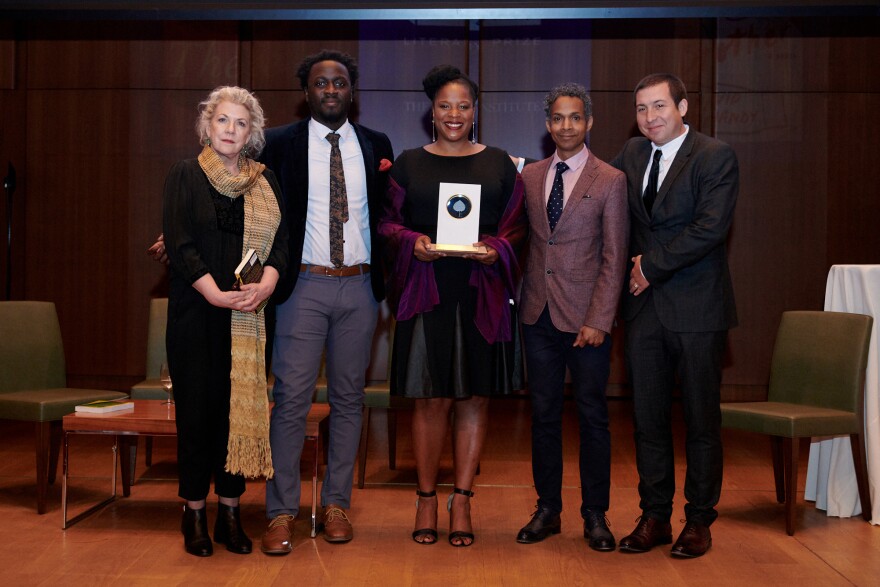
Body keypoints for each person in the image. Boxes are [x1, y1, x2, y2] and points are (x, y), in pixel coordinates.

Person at [379, 64, 527, 547]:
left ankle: (461, 499)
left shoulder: (500, 164)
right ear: (432, 111)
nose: (454, 114)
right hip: (427, 292)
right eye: (445, 105)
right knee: (430, 397)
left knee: (473, 398)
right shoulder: (407, 163)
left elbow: (517, 227)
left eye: (463, 105)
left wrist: (496, 248)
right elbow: (386, 224)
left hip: (480, 292)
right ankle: (425, 497)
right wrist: (413, 242)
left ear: (475, 110)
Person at [258, 50, 394, 553]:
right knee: (291, 401)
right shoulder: (277, 145)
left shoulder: (377, 145)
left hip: (359, 287)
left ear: (351, 92)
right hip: (302, 288)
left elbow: (390, 214)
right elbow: (243, 202)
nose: (331, 90)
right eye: (321, 83)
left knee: (349, 401)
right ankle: (280, 513)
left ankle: (336, 505)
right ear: (307, 92)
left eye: (339, 82)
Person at [611, 73, 738, 558]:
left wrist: (649, 268)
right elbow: (602, 195)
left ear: (683, 106)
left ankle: (699, 521)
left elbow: (710, 228)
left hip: (698, 308)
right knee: (647, 420)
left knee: (702, 421)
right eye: (642, 108)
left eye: (660, 106)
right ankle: (655, 516)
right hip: (644, 312)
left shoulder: (714, 155)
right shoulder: (632, 154)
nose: (650, 118)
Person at [162, 86, 288, 557]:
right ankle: (194, 514)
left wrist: (268, 283)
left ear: (252, 132)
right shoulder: (185, 175)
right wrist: (215, 293)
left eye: (240, 123)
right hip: (198, 317)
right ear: (207, 126)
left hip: (250, 319)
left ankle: (230, 515)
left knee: (237, 419)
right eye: (222, 121)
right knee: (198, 419)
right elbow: (180, 244)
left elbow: (282, 244)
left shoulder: (266, 181)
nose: (231, 130)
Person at [515, 84, 628, 551]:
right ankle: (547, 509)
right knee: (542, 416)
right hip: (537, 315)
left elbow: (615, 257)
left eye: (575, 118)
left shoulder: (610, 179)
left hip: (587, 323)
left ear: (589, 123)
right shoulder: (530, 176)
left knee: (592, 417)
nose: (566, 126)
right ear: (548, 125)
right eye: (558, 118)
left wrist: (600, 319)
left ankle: (595, 515)